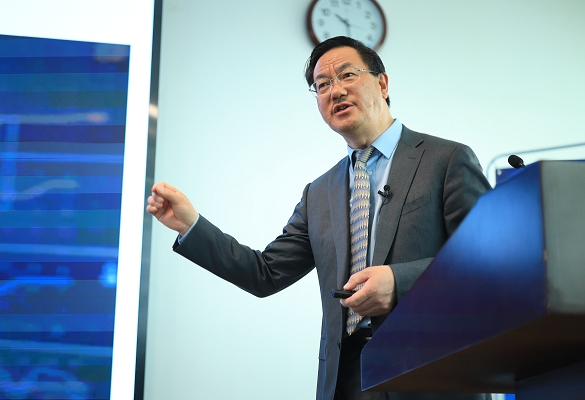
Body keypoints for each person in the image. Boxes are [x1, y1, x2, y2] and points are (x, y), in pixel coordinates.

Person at [146, 36, 491, 400]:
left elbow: (488, 262)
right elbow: (265, 273)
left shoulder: (446, 160)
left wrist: (400, 282)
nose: (335, 90)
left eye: (347, 75)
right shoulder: (319, 192)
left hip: (431, 375)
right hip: (345, 379)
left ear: (383, 83)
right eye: (322, 85)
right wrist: (190, 226)